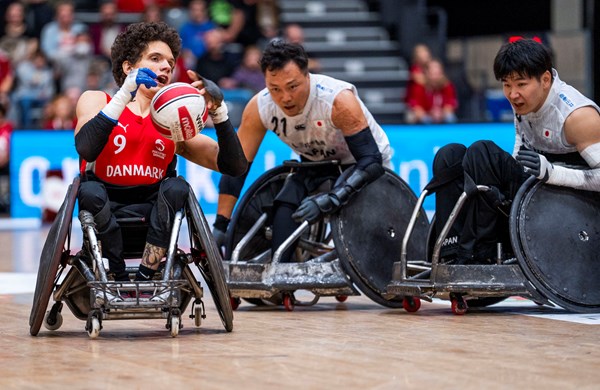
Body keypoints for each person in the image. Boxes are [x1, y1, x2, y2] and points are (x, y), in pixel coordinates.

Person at [74, 21, 247, 288]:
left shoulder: (172, 126)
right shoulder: (98, 100)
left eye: (170, 61)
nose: (167, 66)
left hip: (153, 210)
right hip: (103, 203)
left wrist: (219, 113)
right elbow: (86, 148)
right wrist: (124, 94)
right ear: (129, 67)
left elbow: (234, 165)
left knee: (177, 186)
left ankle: (146, 273)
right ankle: (118, 274)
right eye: (155, 59)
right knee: (89, 193)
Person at [212, 39, 391, 263]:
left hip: (363, 167)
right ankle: (280, 272)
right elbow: (236, 168)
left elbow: (371, 160)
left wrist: (334, 198)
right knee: (285, 200)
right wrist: (221, 224)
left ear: (308, 76)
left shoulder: (337, 100)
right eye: (275, 89)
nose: (285, 97)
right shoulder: (260, 107)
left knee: (348, 211)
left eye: (292, 86)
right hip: (315, 164)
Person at [429, 38, 600, 265]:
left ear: (546, 79)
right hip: (535, 195)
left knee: (483, 151)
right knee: (450, 156)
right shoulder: (523, 102)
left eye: (521, 84)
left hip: (573, 211)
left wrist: (553, 173)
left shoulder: (577, 117)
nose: (512, 94)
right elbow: (519, 152)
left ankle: (482, 253)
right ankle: (451, 249)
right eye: (506, 85)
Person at [404, 58, 458, 124]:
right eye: (432, 74)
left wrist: (441, 113)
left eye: (437, 74)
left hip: (441, 114)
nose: (435, 77)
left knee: (450, 117)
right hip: (424, 114)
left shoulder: (447, 86)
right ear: (426, 73)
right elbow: (415, 106)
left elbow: (451, 104)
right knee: (411, 117)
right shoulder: (419, 86)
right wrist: (428, 114)